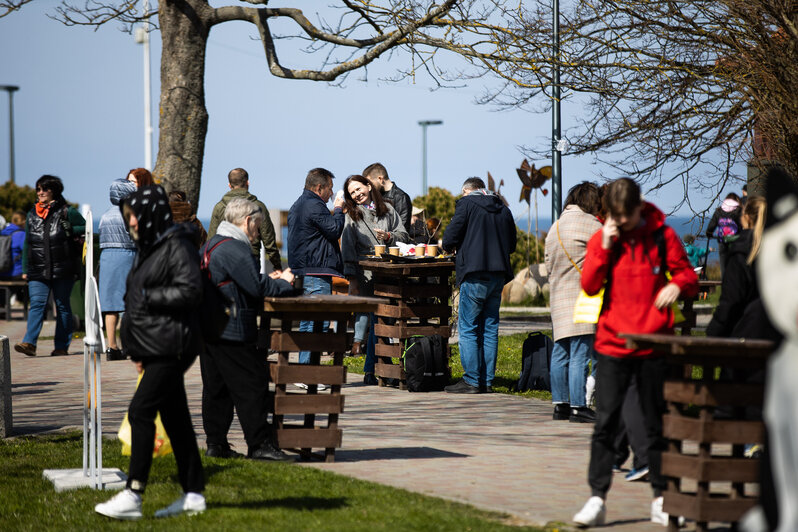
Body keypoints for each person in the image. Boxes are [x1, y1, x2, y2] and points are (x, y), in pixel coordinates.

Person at [573, 177, 698, 527]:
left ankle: (662, 498)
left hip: (653, 345)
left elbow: (687, 274)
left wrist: (676, 284)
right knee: (605, 424)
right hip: (612, 345)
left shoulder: (663, 235)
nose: (621, 223)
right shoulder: (604, 239)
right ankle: (597, 498)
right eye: (615, 217)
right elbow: (590, 284)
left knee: (655, 424)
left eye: (626, 217)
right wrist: (605, 245)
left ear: (638, 208)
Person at [94, 185, 205, 520]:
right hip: (157, 345)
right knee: (176, 420)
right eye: (129, 219)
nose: (133, 225)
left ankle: (134, 492)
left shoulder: (177, 245)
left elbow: (191, 290)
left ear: (152, 215)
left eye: (136, 218)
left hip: (172, 346)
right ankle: (194, 494)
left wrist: (151, 298)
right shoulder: (152, 247)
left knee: (141, 412)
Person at [200, 198, 296, 461]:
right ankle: (260, 445)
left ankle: (216, 444)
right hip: (231, 329)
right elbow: (256, 288)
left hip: (210, 327)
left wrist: (266, 278)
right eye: (258, 224)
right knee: (250, 387)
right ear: (247, 220)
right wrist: (285, 283)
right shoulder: (235, 249)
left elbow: (242, 280)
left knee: (216, 390)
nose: (258, 230)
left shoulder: (213, 244)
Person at [442, 177, 516, 394]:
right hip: (498, 275)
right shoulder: (503, 207)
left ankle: (472, 380)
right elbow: (511, 244)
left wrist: (454, 247)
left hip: (474, 273)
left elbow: (449, 238)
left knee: (468, 327)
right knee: (490, 328)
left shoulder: (466, 204)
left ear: (467, 190)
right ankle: (487, 380)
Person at [341, 174, 409, 385]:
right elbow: (347, 248)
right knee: (378, 319)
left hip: (389, 272)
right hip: (366, 275)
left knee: (386, 319)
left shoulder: (388, 209)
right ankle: (373, 368)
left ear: (369, 186)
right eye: (352, 193)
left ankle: (379, 367)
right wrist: (351, 278)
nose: (356, 194)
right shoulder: (352, 215)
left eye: (358, 189)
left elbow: (404, 235)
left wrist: (389, 237)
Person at [544, 181, 602, 422]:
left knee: (561, 351)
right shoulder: (593, 225)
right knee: (580, 351)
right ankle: (579, 406)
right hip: (583, 295)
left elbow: (548, 264)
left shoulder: (555, 227)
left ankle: (561, 404)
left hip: (558, 296)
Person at [14, 175, 86, 358]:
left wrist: (70, 228)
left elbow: (85, 228)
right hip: (37, 268)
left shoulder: (67, 211)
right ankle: (29, 343)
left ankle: (61, 346)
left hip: (63, 268)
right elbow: (27, 244)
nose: (40, 193)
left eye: (44, 189)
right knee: (37, 304)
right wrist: (24, 269)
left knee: (62, 306)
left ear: (54, 190)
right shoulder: (31, 215)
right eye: (38, 189)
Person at [287, 168, 345, 375]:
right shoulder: (315, 205)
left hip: (305, 271)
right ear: (319, 187)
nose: (332, 193)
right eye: (330, 188)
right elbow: (334, 230)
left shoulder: (299, 204)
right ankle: (307, 373)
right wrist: (338, 209)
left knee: (309, 324)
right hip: (316, 273)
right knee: (315, 325)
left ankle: (307, 371)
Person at [706, 196, 779, 340]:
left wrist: (714, 331)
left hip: (747, 333)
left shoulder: (741, 253)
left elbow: (732, 300)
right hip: (778, 335)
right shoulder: (782, 252)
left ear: (746, 218)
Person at [208, 168, 281, 271]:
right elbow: (269, 240)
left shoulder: (219, 207)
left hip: (225, 257)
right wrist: (277, 266)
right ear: (248, 183)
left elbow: (211, 239)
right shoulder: (258, 206)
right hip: (251, 257)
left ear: (229, 185)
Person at [98, 177, 137, 361]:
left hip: (106, 256)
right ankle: (129, 344)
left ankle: (111, 347)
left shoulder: (105, 215)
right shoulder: (129, 213)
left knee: (110, 304)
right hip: (125, 255)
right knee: (128, 302)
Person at [362, 163, 413, 233]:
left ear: (380, 179)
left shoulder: (401, 197)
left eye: (370, 183)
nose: (369, 187)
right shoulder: (373, 196)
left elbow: (403, 229)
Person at [706, 192, 743, 275]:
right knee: (735, 264)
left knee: (723, 265)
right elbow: (742, 224)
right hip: (736, 240)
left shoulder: (719, 210)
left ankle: (725, 282)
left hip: (722, 240)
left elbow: (712, 225)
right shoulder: (738, 210)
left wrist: (709, 234)